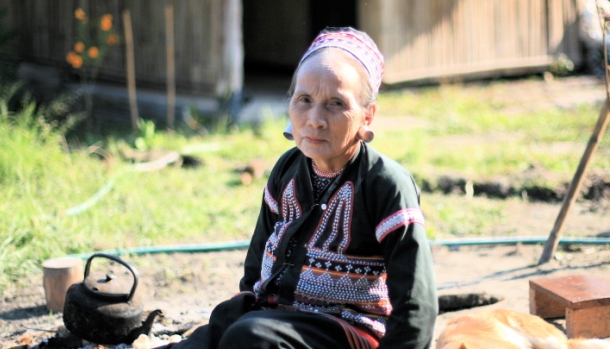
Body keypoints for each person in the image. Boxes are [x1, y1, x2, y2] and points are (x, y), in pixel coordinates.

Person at [168, 27, 438, 349]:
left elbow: (416, 300)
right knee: (209, 335)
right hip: (273, 319)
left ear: (368, 116)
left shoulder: (385, 184)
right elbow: (256, 263)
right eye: (304, 100)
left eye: (336, 104)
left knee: (249, 337)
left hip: (348, 329)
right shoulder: (287, 169)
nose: (315, 119)